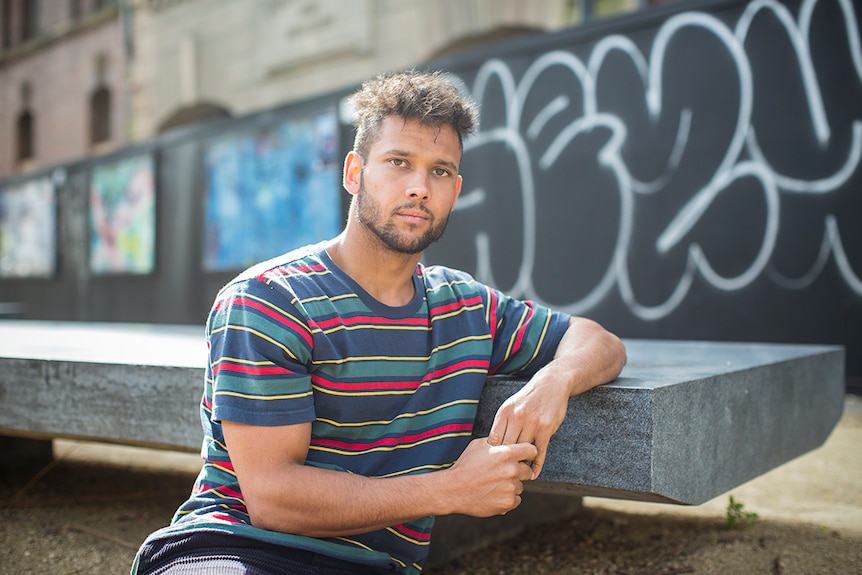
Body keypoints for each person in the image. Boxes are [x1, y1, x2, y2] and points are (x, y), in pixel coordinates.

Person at [132, 69, 626, 575]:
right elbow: (274, 501)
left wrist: (554, 382)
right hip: (236, 550)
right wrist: (451, 488)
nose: (419, 188)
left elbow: (599, 342)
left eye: (439, 171)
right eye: (398, 163)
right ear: (353, 172)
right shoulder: (270, 300)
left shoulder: (466, 307)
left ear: (456, 190)